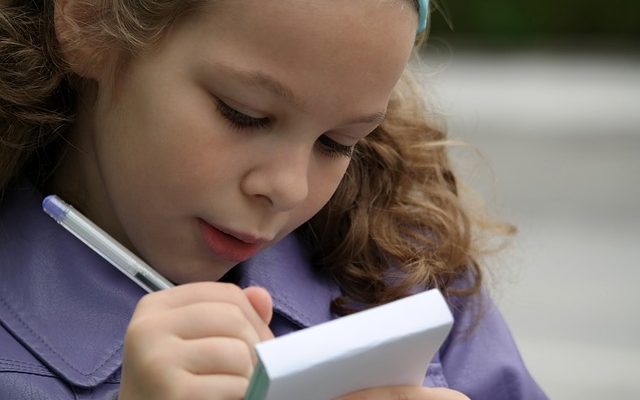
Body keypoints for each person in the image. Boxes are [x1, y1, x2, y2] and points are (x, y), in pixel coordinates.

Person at [0, 0, 548, 399]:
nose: (288, 188)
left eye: (338, 144)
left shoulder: (402, 269)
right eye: (244, 113)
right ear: (92, 20)